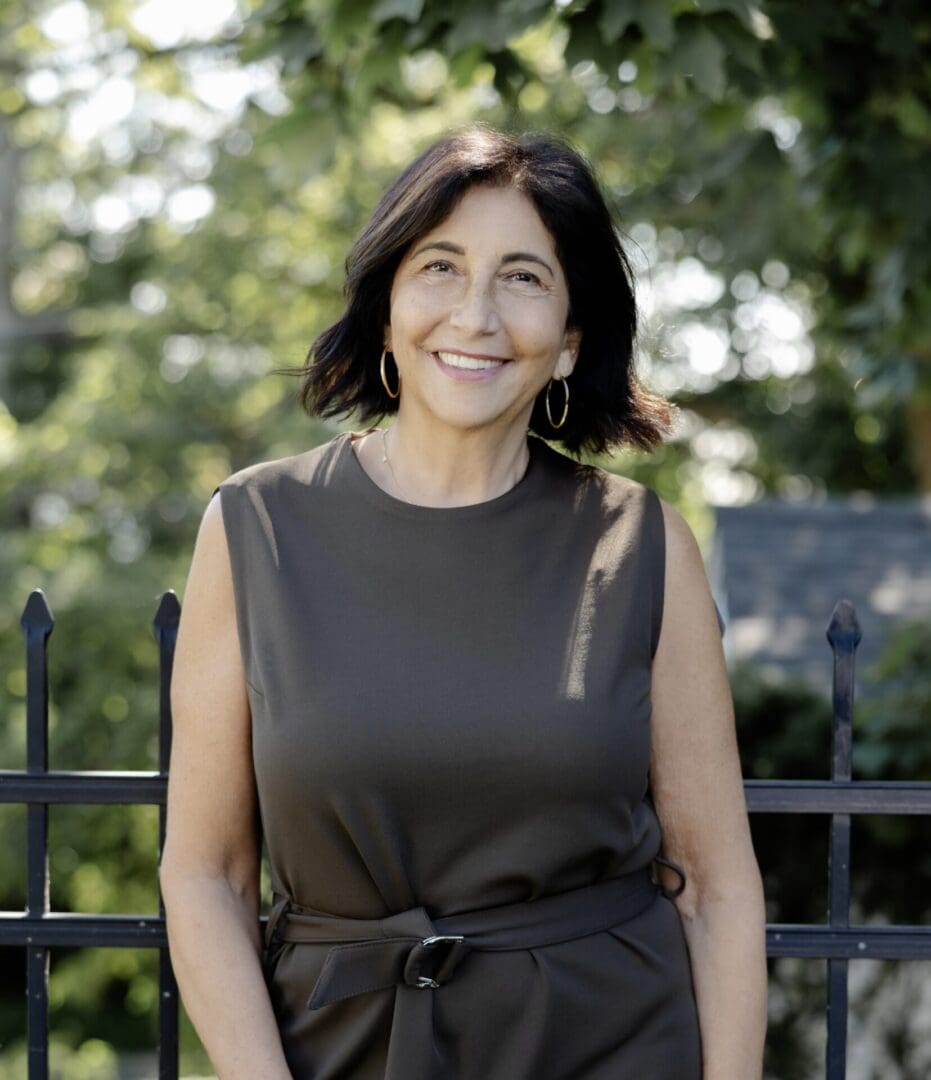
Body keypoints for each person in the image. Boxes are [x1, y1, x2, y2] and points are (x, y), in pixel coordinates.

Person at [160, 125, 767, 1079]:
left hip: (610, 1046)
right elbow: (205, 875)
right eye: (439, 266)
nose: (475, 315)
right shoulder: (254, 527)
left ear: (568, 342)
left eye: (522, 277)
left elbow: (716, 889)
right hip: (339, 1053)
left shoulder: (641, 544)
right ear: (388, 304)